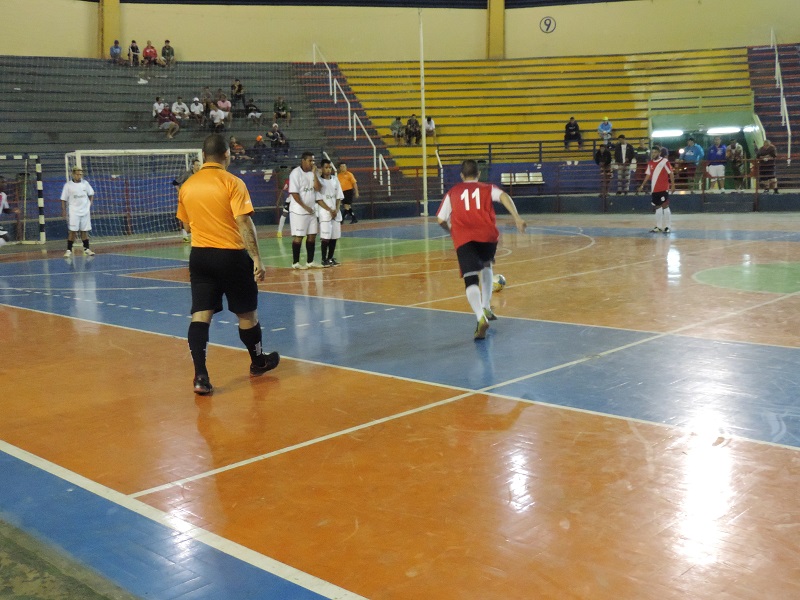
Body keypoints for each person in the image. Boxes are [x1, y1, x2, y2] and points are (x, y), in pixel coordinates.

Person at [176, 134, 280, 395]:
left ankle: (200, 376)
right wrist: (256, 258)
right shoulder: (233, 182)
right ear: (227, 155)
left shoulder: (187, 186)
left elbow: (186, 225)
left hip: (199, 256)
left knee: (201, 315)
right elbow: (244, 222)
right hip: (231, 256)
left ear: (202, 155)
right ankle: (257, 362)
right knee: (246, 313)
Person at [436, 159, 526, 340]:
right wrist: (516, 217)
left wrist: (450, 230)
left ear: (462, 175)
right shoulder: (487, 188)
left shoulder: (453, 192)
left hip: (464, 237)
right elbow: (504, 197)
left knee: (470, 279)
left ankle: (480, 316)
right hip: (487, 236)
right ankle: (486, 306)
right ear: (479, 174)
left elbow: (440, 219)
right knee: (486, 265)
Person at [288, 152, 321, 269]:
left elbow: (318, 188)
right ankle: (295, 263)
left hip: (311, 211)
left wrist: (314, 174)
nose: (312, 163)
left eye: (313, 161)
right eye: (310, 161)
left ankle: (310, 261)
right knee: (299, 236)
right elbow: (294, 193)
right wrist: (305, 206)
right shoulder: (295, 173)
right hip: (299, 211)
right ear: (303, 160)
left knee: (312, 235)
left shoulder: (313, 172)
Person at [638, 147, 676, 234]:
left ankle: (668, 226)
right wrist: (642, 185)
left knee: (665, 206)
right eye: (652, 152)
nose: (653, 154)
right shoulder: (650, 163)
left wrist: (673, 185)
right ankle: (659, 226)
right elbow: (648, 175)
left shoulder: (664, 161)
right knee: (657, 207)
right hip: (654, 189)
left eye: (655, 152)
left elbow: (670, 173)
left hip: (663, 188)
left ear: (659, 153)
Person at [61, 166, 96, 257]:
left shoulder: (85, 184)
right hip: (74, 212)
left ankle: (87, 249)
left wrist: (89, 204)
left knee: (84, 231)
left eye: (81, 174)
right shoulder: (68, 185)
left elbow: (91, 194)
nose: (79, 176)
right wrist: (64, 210)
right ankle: (69, 250)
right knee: (73, 231)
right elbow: (63, 199)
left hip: (85, 211)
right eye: (77, 174)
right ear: (73, 174)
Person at [315, 159, 345, 267]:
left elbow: (339, 196)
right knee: (325, 237)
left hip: (335, 213)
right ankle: (324, 259)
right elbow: (319, 199)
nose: (328, 170)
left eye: (330, 168)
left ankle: (331, 257)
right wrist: (329, 210)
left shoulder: (335, 180)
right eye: (326, 167)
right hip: (325, 213)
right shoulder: (319, 182)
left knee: (334, 237)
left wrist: (336, 209)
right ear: (322, 169)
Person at [172, 158, 201, 242]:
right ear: (193, 166)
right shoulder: (187, 174)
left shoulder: (201, 174)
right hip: (187, 198)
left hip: (197, 198)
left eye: (199, 165)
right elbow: (175, 183)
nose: (198, 167)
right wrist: (180, 192)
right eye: (197, 165)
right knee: (185, 216)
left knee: (196, 216)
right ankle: (185, 235)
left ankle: (196, 234)